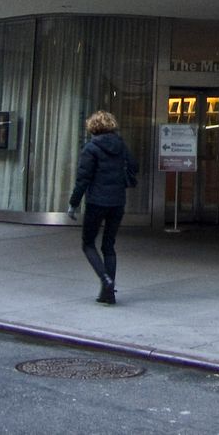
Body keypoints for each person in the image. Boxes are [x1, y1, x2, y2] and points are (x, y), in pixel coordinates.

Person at [68, 110, 138, 305]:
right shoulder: (121, 145)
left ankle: (105, 280)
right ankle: (109, 293)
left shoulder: (90, 148)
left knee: (88, 243)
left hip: (97, 202)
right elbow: (134, 166)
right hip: (118, 202)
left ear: (93, 127)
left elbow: (83, 179)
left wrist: (73, 204)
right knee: (109, 245)